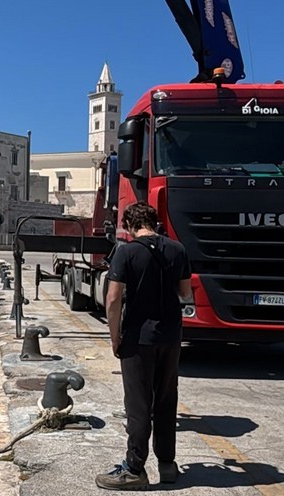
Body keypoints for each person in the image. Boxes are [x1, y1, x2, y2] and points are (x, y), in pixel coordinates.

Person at [95, 201, 192, 491]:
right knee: (165, 400)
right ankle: (167, 464)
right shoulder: (178, 250)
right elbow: (185, 293)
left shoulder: (126, 252)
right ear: (155, 222)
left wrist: (115, 338)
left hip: (138, 339)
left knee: (138, 406)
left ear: (128, 225)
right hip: (170, 337)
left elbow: (113, 300)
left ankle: (135, 468)